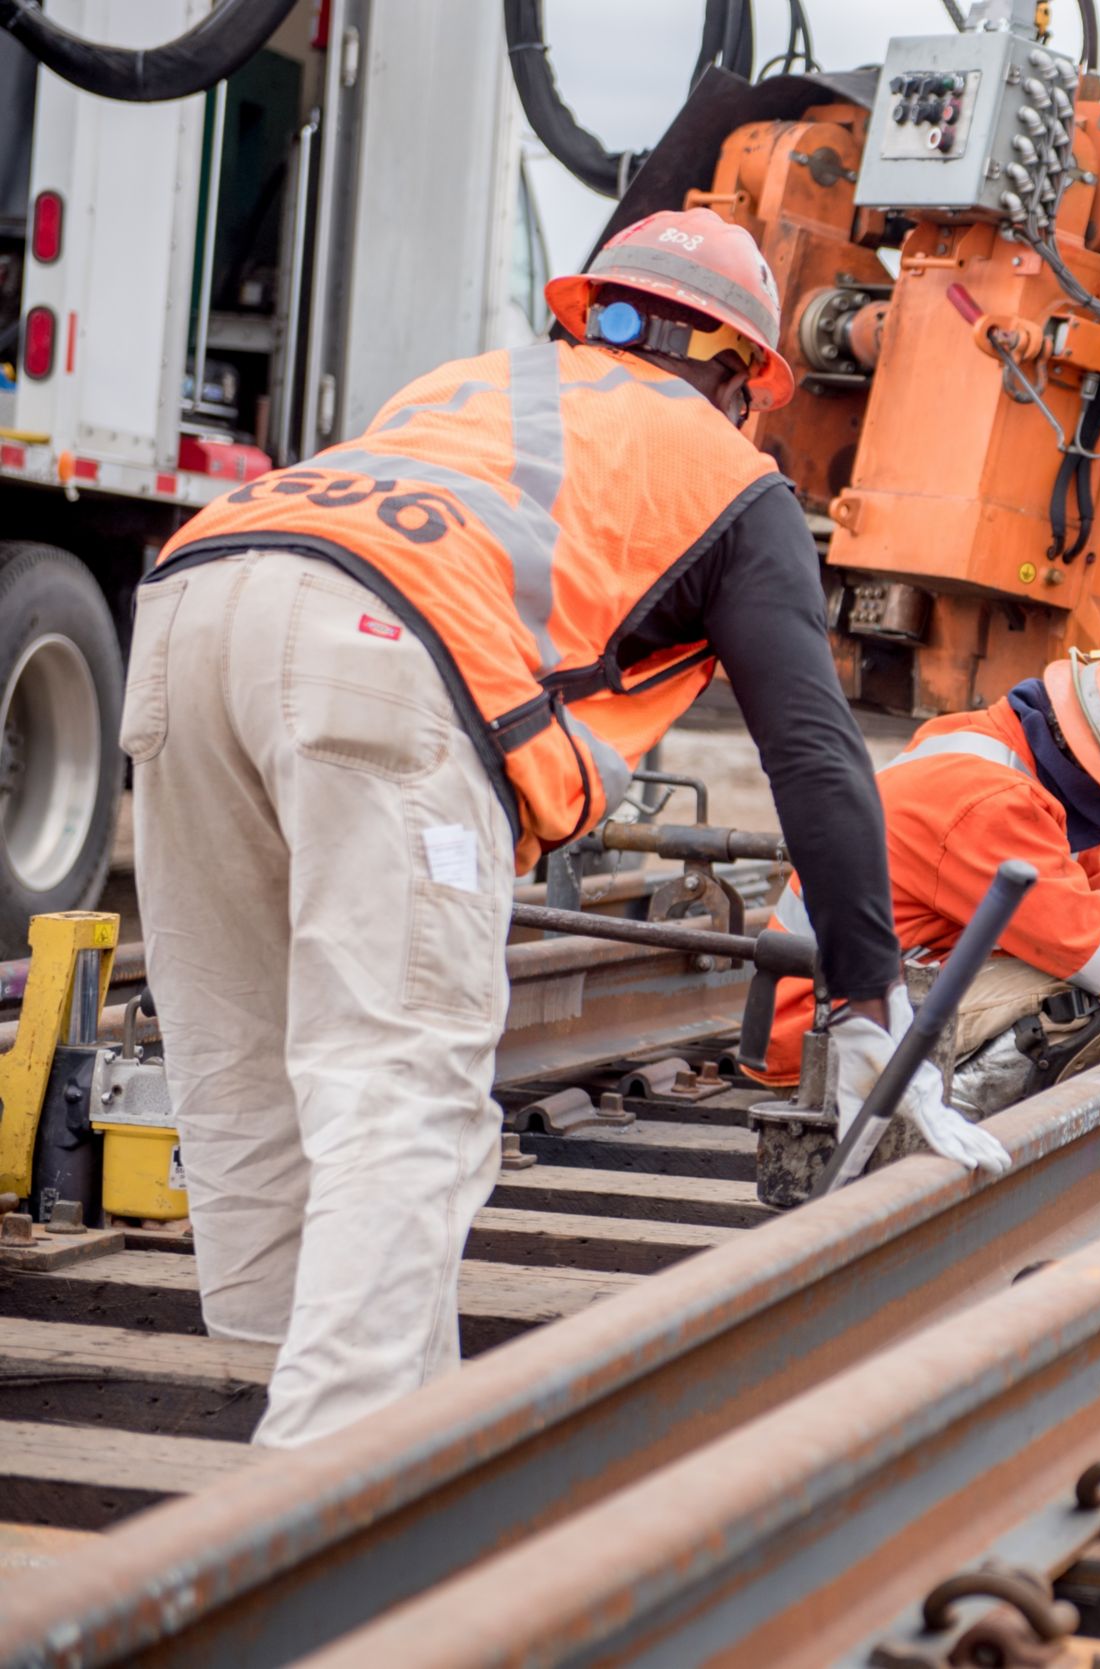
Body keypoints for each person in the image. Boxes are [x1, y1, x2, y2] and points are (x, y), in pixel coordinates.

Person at [122, 209, 918, 1448]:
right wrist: (867, 995)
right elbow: (814, 754)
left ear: (586, 312)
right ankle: (320, 1500)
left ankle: (327, 1398)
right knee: (402, 1084)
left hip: (187, 606)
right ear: (742, 378)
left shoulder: (467, 384)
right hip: (389, 660)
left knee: (249, 1051)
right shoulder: (730, 476)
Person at [749, 648, 1100, 1101]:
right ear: (1099, 774)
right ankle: (909, 1129)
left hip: (835, 996)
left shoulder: (1000, 747)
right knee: (1076, 1002)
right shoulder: (990, 805)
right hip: (820, 1032)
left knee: (1078, 969)